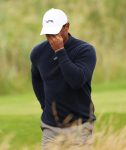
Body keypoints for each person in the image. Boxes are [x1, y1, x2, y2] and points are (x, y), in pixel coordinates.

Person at [30, 8, 96, 150]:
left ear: (67, 27)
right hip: (50, 127)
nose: (51, 36)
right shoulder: (38, 52)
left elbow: (76, 81)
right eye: (48, 32)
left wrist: (60, 51)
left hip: (80, 126)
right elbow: (36, 79)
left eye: (55, 31)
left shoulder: (85, 50)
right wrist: (45, 106)